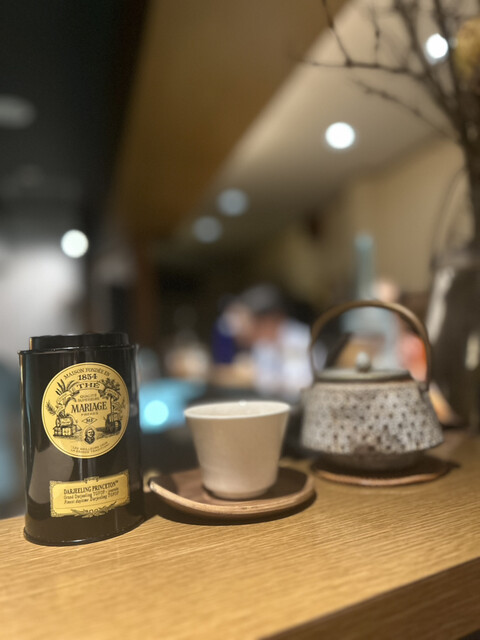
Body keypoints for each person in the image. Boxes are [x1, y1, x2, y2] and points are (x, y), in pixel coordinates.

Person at [222, 285, 313, 401]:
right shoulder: (262, 344)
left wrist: (254, 377)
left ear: (270, 319)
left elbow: (300, 385)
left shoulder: (300, 339)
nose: (244, 328)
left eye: (250, 320)